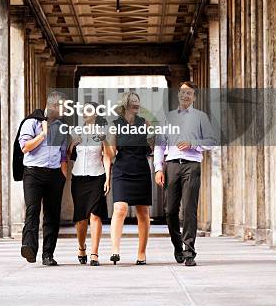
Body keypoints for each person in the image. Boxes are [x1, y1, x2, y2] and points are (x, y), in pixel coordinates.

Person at [154, 81, 217, 267]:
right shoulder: (168, 117)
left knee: (189, 209)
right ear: (178, 95)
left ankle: (189, 251)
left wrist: (193, 143)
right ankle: (177, 245)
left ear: (194, 97)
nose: (185, 96)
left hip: (192, 165)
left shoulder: (201, 117)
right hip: (172, 165)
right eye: (182, 92)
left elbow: (212, 142)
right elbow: (160, 144)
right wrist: (159, 168)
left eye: (189, 93)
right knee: (170, 210)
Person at [18, 90, 68, 266]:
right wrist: (43, 135)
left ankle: (48, 254)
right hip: (33, 173)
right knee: (32, 210)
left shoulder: (62, 127)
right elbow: (25, 147)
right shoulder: (31, 122)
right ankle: (29, 248)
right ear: (52, 106)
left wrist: (63, 176)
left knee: (52, 215)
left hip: (54, 174)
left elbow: (63, 155)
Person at [108, 92, 153, 265]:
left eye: (137, 102)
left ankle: (141, 253)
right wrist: (105, 141)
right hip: (122, 170)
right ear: (125, 105)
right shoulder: (115, 125)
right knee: (120, 208)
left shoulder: (145, 123)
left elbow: (152, 147)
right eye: (133, 102)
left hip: (141, 169)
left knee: (143, 211)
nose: (136, 104)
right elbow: (112, 153)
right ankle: (115, 250)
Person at [68, 102, 112, 267]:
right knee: (81, 219)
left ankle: (94, 253)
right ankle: (82, 247)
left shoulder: (103, 132)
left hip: (97, 176)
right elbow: (68, 154)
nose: (85, 113)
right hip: (79, 178)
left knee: (95, 215)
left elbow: (107, 156)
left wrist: (108, 178)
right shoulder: (76, 131)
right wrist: (73, 144)